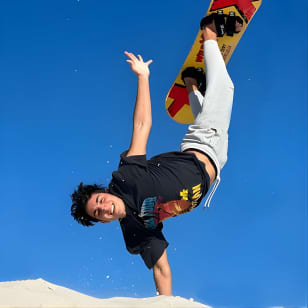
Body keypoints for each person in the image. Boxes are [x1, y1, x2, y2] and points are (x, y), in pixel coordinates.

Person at [71, 15, 241, 296]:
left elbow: (141, 126)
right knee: (210, 116)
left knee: (225, 90)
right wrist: (167, 304)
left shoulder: (127, 177)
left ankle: (209, 31)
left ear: (105, 191)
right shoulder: (134, 231)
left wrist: (143, 77)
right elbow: (161, 268)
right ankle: (192, 85)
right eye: (98, 213)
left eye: (99, 201)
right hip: (215, 165)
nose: (103, 208)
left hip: (202, 146)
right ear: (103, 222)